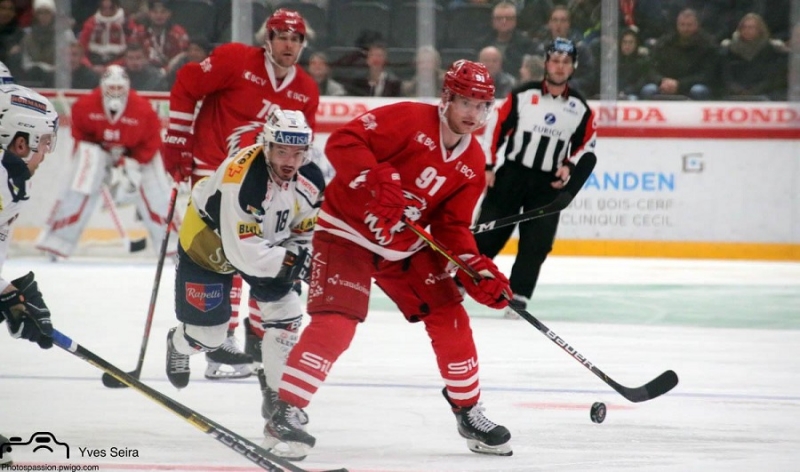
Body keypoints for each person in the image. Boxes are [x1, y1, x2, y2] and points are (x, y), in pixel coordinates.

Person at [264, 60, 514, 461]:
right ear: (446, 98)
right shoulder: (408, 118)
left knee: (451, 315)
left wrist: (473, 267)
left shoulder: (471, 165)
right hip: (346, 232)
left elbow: (451, 226)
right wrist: (377, 176)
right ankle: (286, 410)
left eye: (481, 105)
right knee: (337, 322)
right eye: (464, 102)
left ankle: (468, 410)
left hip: (404, 248)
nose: (472, 113)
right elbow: (343, 142)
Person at [161, 8, 320, 380]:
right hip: (213, 174)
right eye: (281, 35)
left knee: (269, 250)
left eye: (296, 38)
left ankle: (251, 334)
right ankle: (220, 339)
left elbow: (300, 150)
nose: (288, 44)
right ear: (267, 39)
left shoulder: (306, 89)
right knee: (227, 254)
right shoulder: (234, 59)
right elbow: (186, 82)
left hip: (267, 184)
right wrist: (177, 139)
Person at [164, 109, 323, 395]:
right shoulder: (243, 179)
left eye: (298, 153)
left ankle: (280, 405)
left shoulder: (310, 177)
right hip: (210, 243)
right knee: (209, 337)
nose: (290, 162)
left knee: (287, 320)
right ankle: (179, 342)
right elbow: (244, 255)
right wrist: (298, 265)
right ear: (267, 146)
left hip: (266, 246)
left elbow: (305, 232)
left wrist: (303, 256)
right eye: (282, 151)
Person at [475, 38, 597, 320]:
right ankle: (460, 283)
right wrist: (489, 166)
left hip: (547, 185)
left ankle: (518, 296)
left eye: (566, 62)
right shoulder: (521, 95)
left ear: (573, 67)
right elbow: (495, 128)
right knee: (487, 233)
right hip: (512, 175)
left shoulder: (579, 107)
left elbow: (587, 143)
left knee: (537, 242)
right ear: (546, 63)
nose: (559, 67)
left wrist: (568, 165)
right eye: (555, 60)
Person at [36, 65, 174, 259]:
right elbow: (81, 138)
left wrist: (132, 163)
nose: (115, 92)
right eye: (111, 87)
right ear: (102, 86)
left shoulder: (143, 110)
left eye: (119, 87)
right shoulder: (85, 106)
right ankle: (57, 242)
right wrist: (95, 164)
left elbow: (152, 143)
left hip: (137, 154)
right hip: (99, 150)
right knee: (80, 185)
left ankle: (172, 245)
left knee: (157, 192)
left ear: (127, 87)